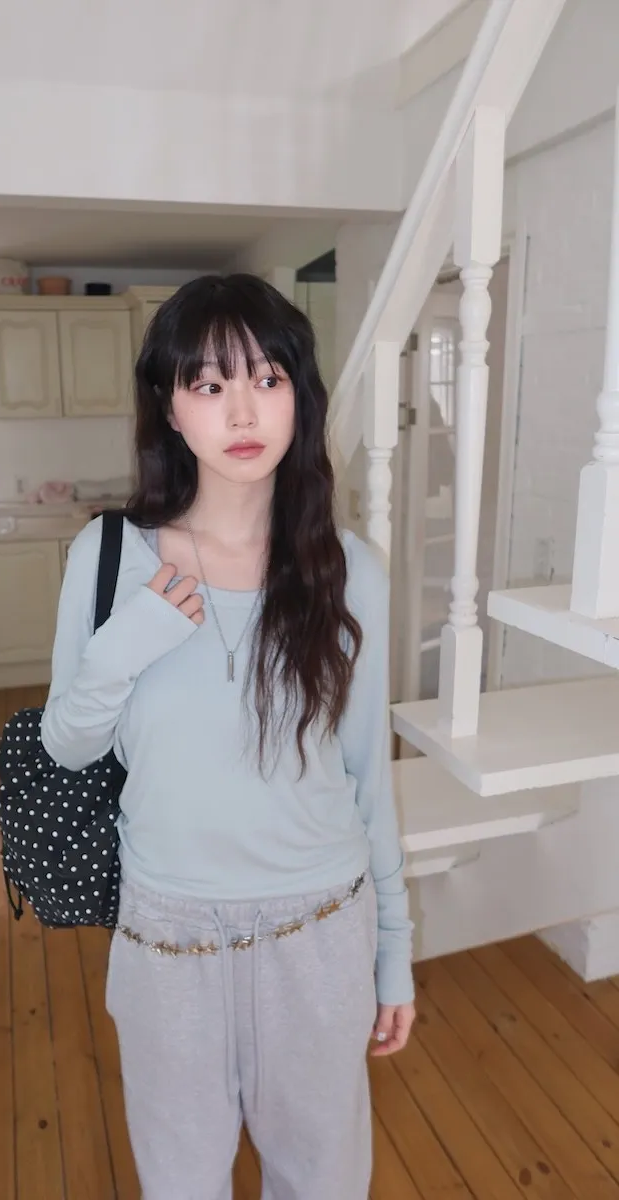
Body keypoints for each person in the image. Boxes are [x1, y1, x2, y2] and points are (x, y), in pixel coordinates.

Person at [40, 273, 415, 1199]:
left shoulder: (350, 573)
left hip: (319, 925)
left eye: (267, 379)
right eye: (208, 385)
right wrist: (130, 639)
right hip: (168, 934)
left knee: (324, 1183)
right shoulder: (109, 558)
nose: (242, 412)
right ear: (170, 409)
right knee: (181, 1184)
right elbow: (68, 745)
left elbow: (368, 778)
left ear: (299, 397)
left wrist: (394, 951)